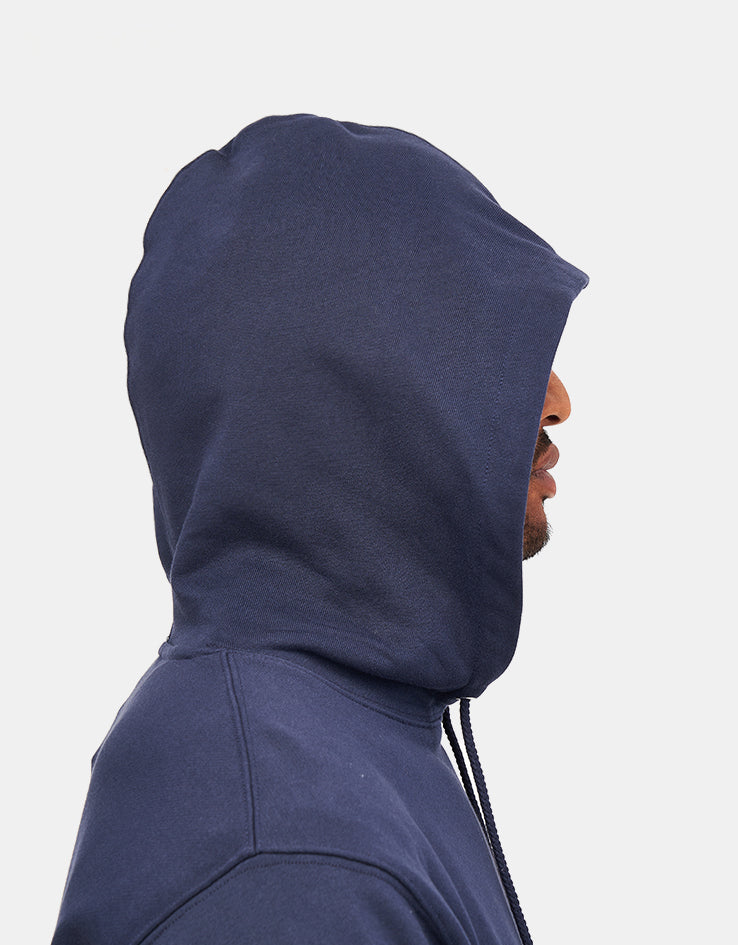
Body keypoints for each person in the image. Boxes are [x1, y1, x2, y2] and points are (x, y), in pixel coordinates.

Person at [50, 113, 588, 944]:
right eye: (482, 354)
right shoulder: (280, 855)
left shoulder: (342, 737)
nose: (557, 400)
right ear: (349, 397)